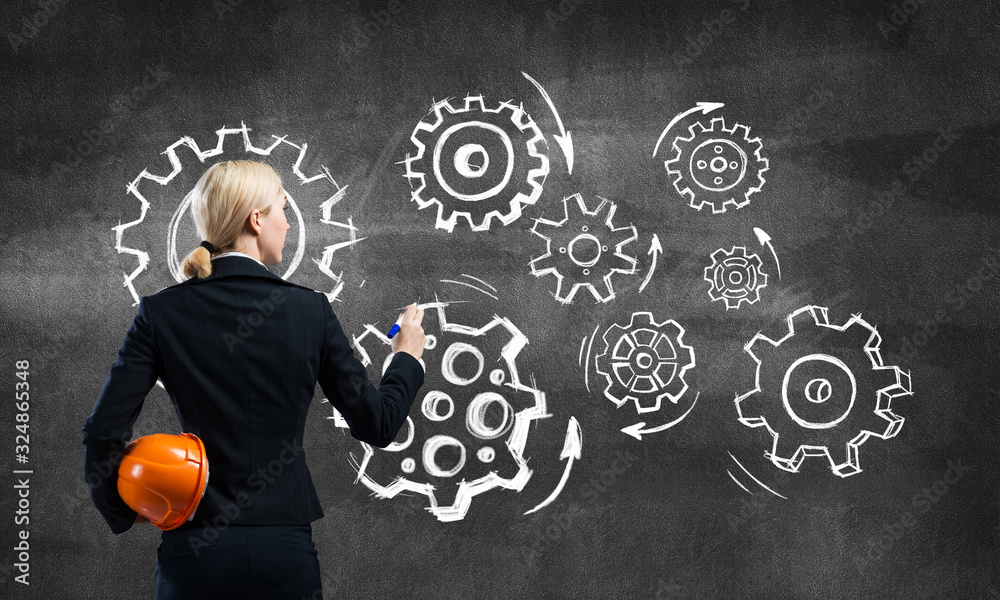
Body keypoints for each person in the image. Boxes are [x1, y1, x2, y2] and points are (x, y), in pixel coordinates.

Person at [81, 160, 426, 599]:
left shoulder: (160, 312)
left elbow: (102, 433)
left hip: (196, 552)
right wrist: (406, 358)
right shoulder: (310, 310)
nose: (287, 224)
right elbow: (378, 425)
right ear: (256, 219)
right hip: (283, 553)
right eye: (283, 209)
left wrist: (124, 510)